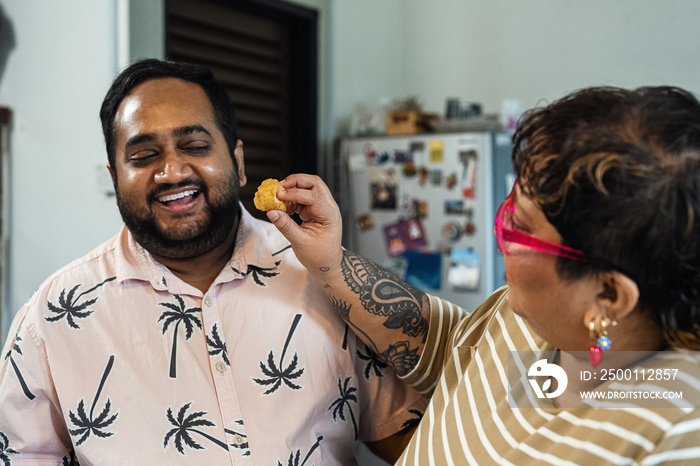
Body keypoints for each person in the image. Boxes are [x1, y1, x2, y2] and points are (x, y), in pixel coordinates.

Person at [0, 59, 427, 465]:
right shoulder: (52, 320)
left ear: (238, 162)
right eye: (143, 155)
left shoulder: (323, 276)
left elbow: (405, 435)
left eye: (195, 145)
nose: (171, 171)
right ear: (115, 178)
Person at [267, 86, 700, 464]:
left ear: (608, 295)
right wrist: (331, 262)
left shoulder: (677, 431)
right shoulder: (531, 320)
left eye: (521, 228)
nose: (501, 233)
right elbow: (452, 354)